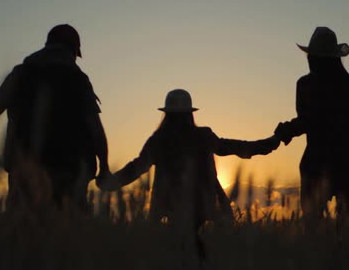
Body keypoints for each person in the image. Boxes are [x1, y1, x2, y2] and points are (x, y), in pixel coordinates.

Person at [98, 89, 282, 257]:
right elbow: (234, 147)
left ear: (167, 114)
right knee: (194, 249)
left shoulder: (159, 139)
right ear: (190, 114)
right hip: (202, 204)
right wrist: (267, 144)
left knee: (178, 250)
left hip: (170, 205)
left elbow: (137, 167)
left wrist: (111, 183)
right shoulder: (202, 136)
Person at [0, 24, 109, 209]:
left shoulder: (20, 75)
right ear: (73, 50)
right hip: (69, 175)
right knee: (68, 235)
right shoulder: (77, 79)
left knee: (25, 235)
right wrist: (104, 167)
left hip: (23, 174)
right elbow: (95, 128)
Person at [275, 27, 349, 228]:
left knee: (313, 229)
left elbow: (307, 119)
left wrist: (285, 131)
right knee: (348, 230)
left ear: (314, 58)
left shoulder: (306, 85)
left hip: (317, 163)